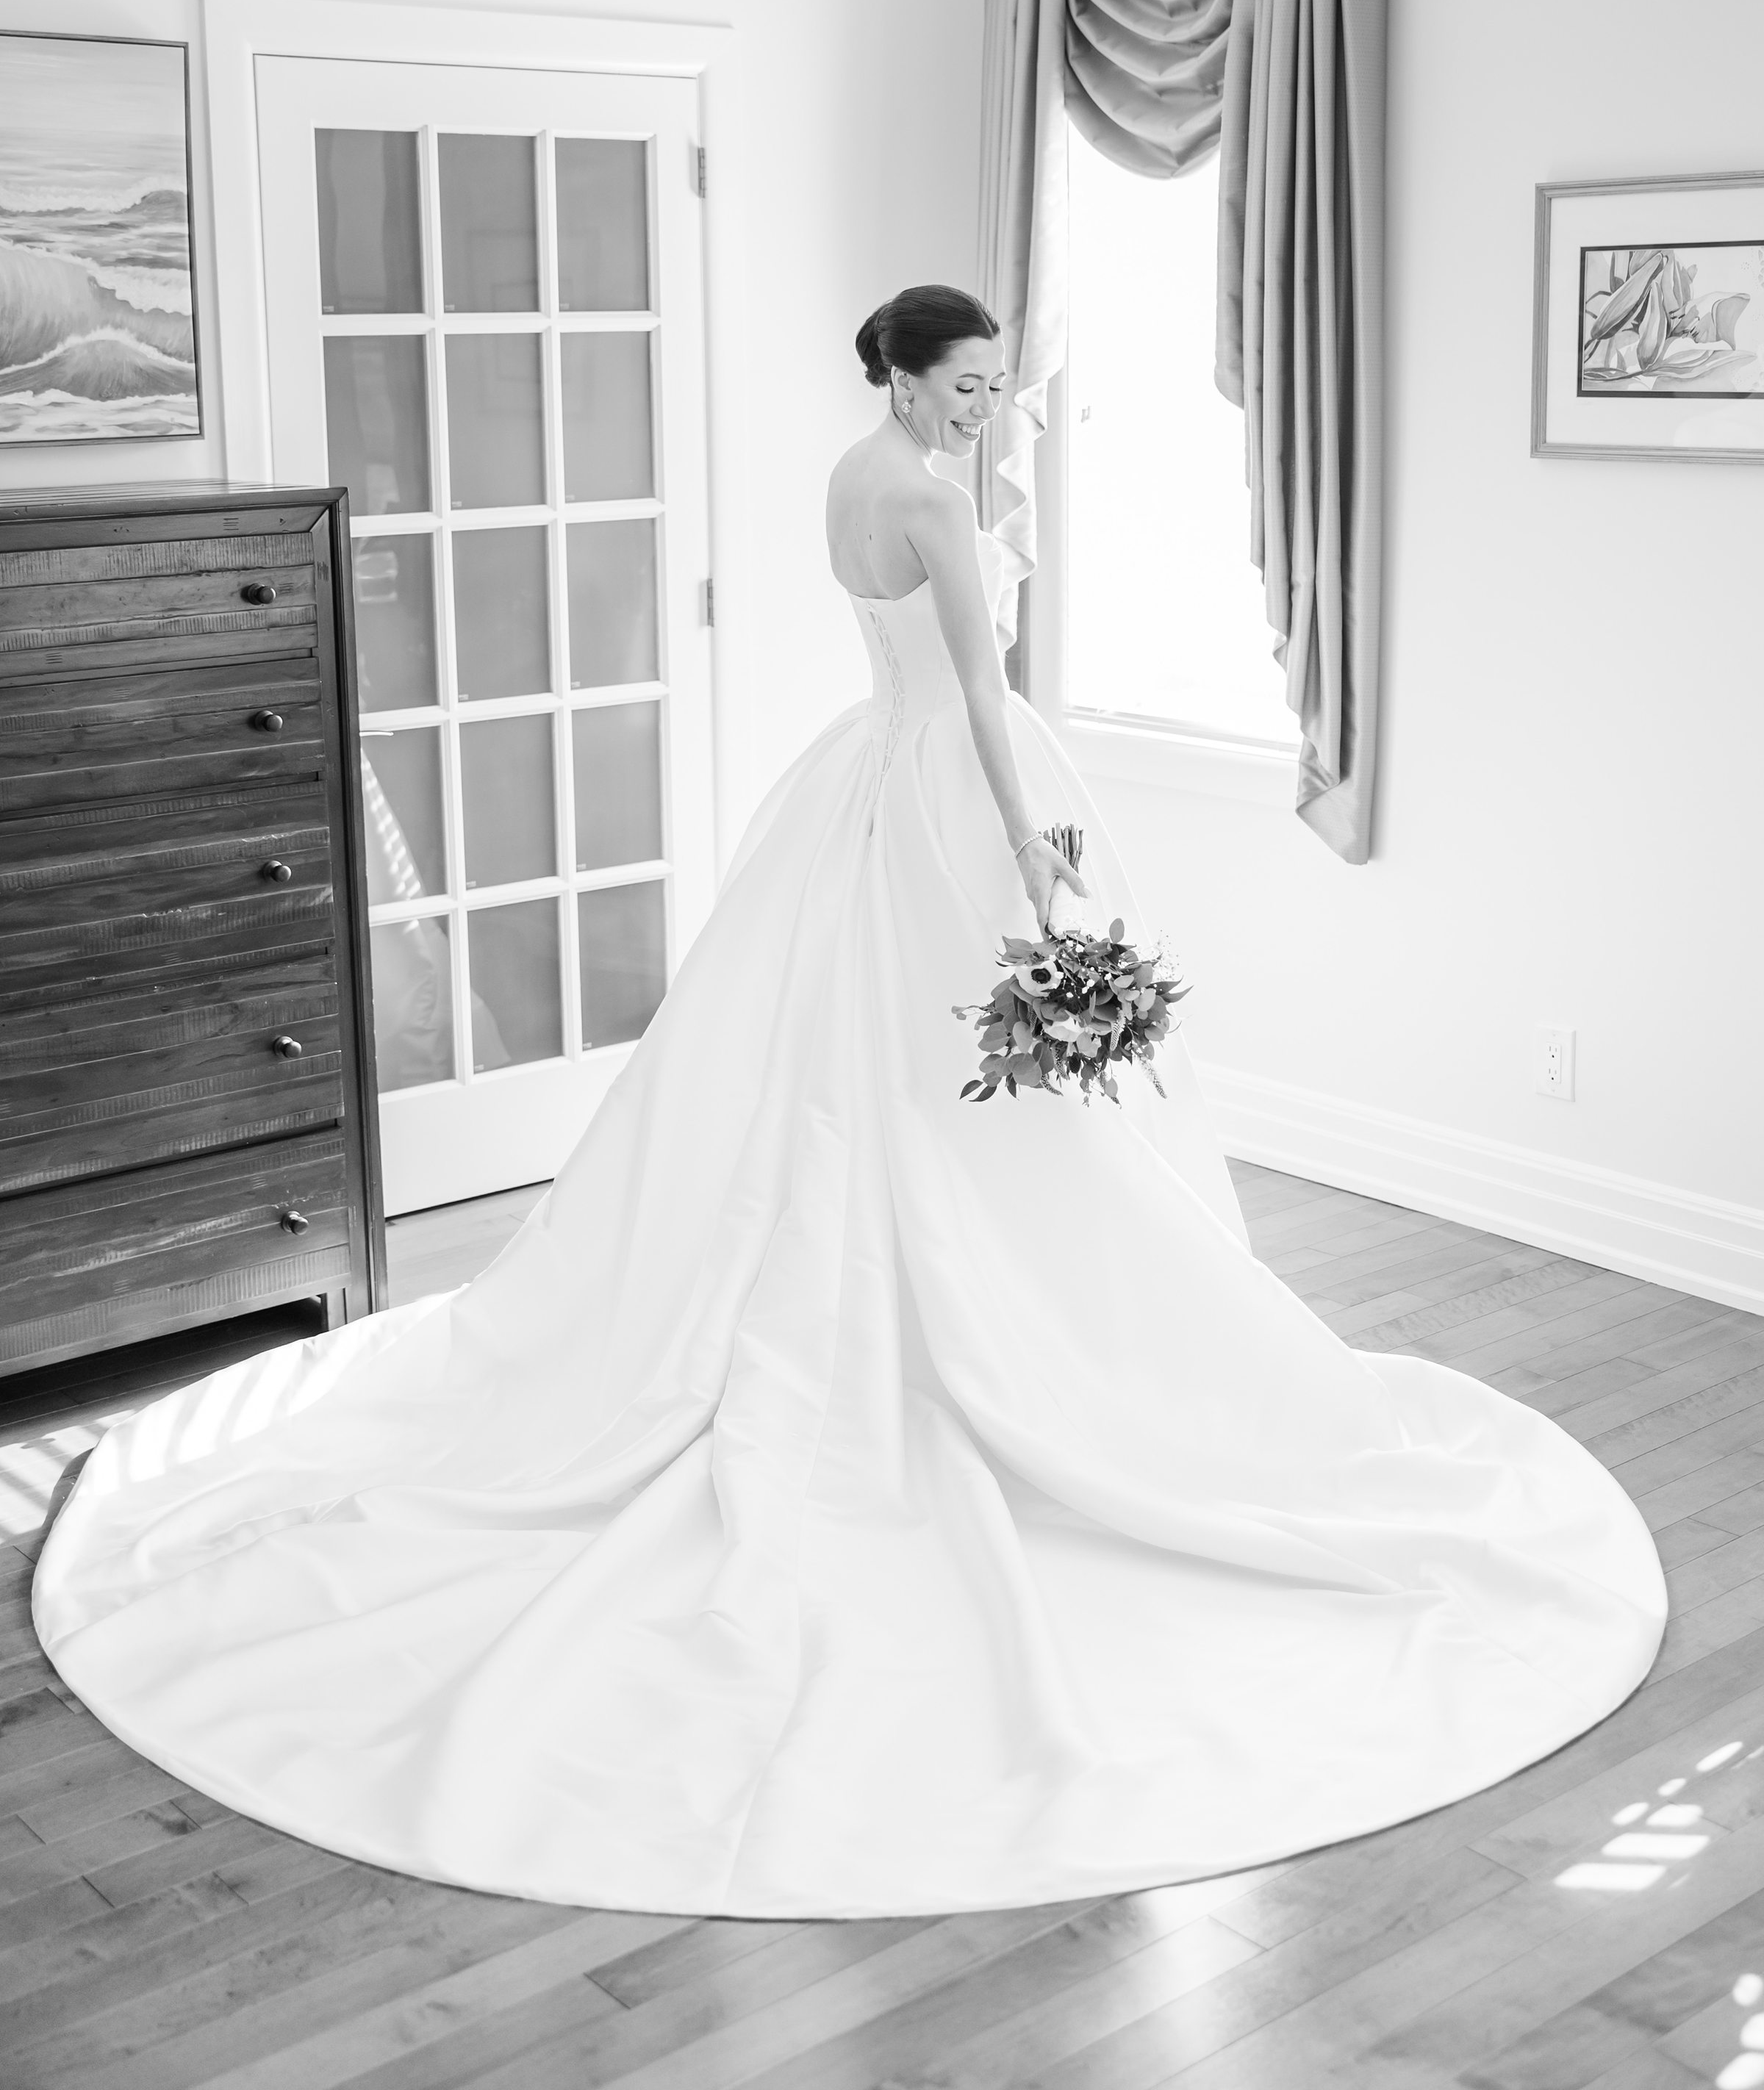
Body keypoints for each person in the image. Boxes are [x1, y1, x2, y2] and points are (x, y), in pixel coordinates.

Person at [34, 284, 1666, 1920]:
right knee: (962, 1090)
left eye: (998, 380)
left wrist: (986, 484)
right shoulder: (936, 500)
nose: (986, 402)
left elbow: (921, 637)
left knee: (845, 1080)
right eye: (964, 382)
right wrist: (1034, 859)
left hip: (864, 783)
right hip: (958, 787)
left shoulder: (851, 474)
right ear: (900, 372)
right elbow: (975, 689)